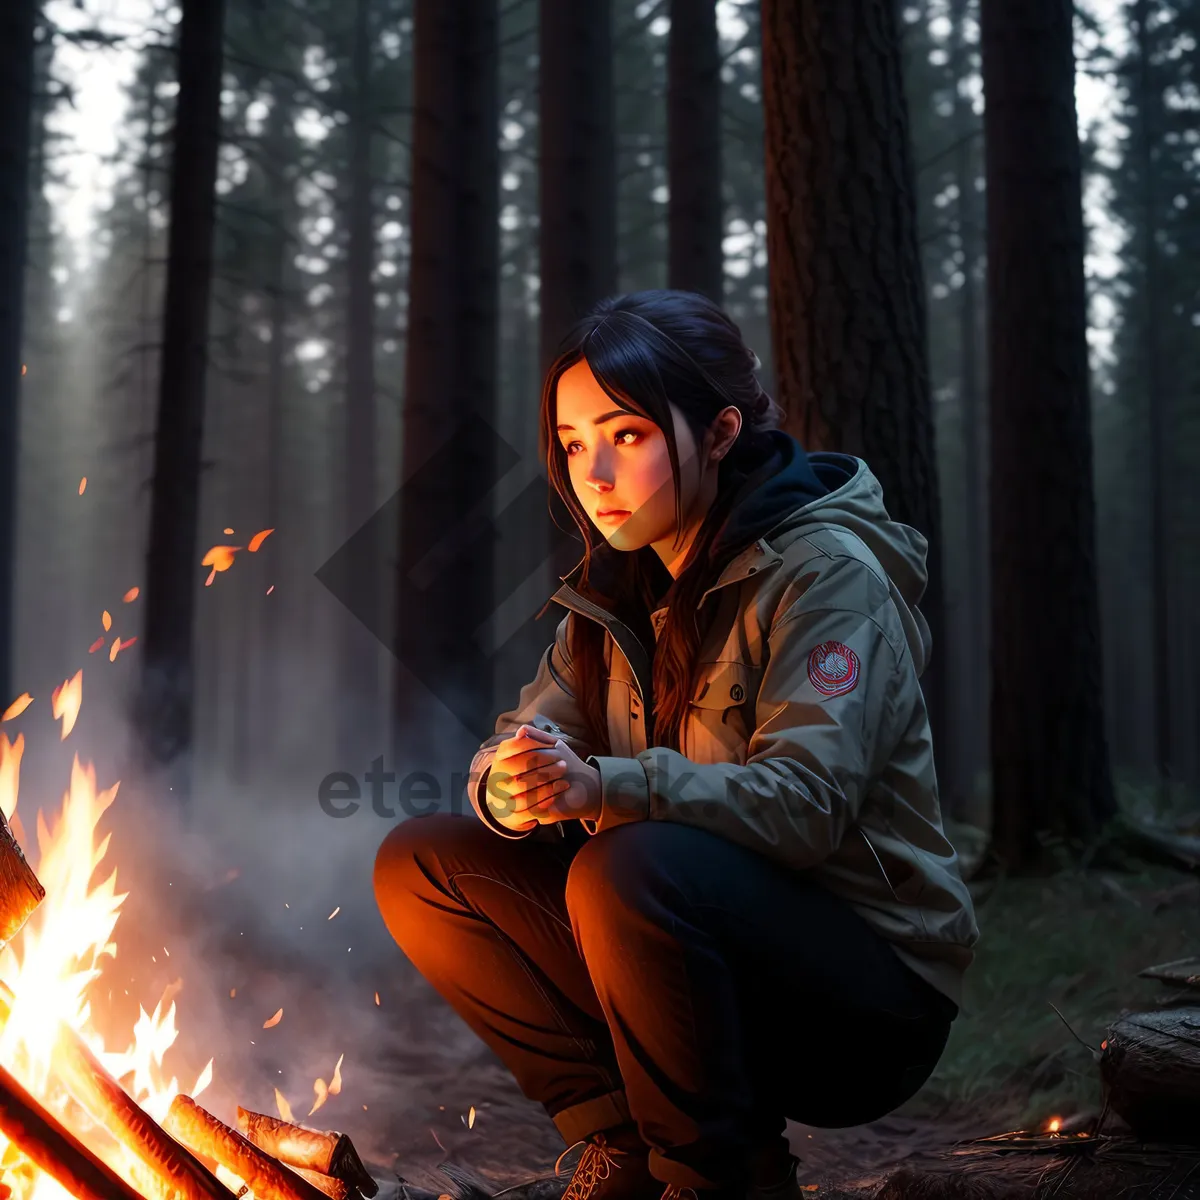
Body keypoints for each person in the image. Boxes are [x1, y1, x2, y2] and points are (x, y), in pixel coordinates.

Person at [373, 290, 979, 1200]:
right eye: (575, 445)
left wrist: (605, 788)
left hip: (864, 1000)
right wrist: (514, 784)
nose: (594, 475)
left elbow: (806, 806)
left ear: (722, 430)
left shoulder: (826, 575)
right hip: (693, 965)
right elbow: (531, 737)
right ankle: (617, 1146)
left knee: (628, 864)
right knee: (421, 863)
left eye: (626, 435)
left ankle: (720, 1177)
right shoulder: (613, 590)